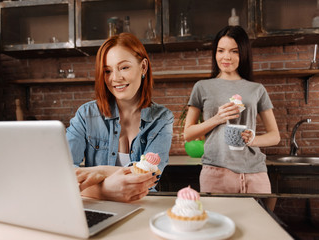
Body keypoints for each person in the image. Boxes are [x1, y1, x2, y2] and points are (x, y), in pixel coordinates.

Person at [66, 33, 174, 202]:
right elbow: (62, 172)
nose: (115, 78)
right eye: (107, 71)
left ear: (143, 67)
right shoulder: (86, 115)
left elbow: (147, 177)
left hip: (143, 206)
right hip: (97, 206)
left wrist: (99, 172)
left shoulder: (162, 118)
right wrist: (102, 191)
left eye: (124, 67)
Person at [184, 26, 280, 198]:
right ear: (215, 53)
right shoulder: (202, 87)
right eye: (221, 50)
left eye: (234, 51)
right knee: (218, 224)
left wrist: (252, 139)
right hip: (216, 172)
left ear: (243, 54)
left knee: (260, 223)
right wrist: (217, 119)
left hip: (255, 172)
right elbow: (188, 134)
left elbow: (275, 136)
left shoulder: (257, 89)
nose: (226, 57)